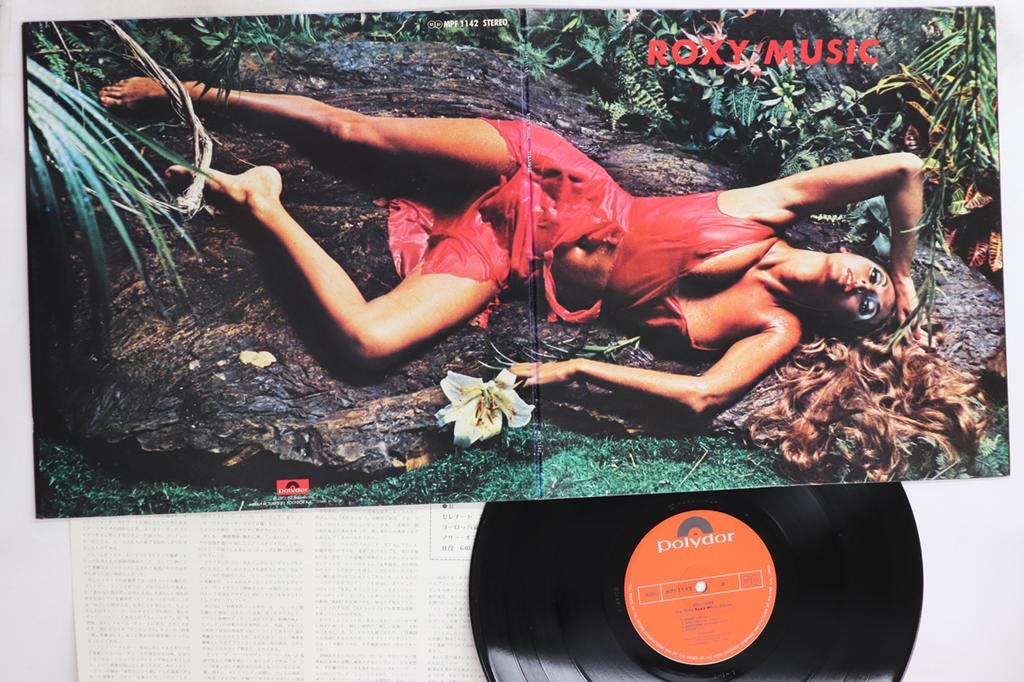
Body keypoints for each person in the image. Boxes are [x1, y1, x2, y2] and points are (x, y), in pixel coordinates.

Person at [99, 77, 986, 482]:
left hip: (509, 259)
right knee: (355, 133)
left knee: (366, 343)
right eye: (871, 272)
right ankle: (191, 94)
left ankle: (261, 202)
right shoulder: (772, 207)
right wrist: (907, 273)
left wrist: (573, 369)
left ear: (841, 322)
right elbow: (904, 167)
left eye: (866, 300)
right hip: (547, 176)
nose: (862, 280)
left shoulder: (775, 328)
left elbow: (700, 399)